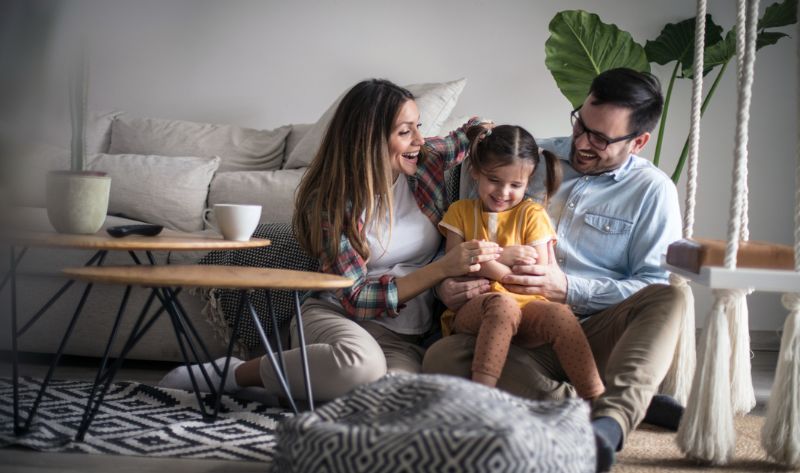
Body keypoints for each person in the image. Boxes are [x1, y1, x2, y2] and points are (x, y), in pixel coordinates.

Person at [158, 79, 499, 402]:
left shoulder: (424, 163)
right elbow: (354, 297)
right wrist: (441, 269)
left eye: (418, 127)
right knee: (360, 366)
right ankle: (233, 375)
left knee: (397, 400)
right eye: (405, 131)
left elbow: (469, 132)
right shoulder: (333, 201)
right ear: (370, 139)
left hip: (404, 336)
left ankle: (291, 387)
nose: (419, 140)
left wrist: (484, 132)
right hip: (339, 317)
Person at [422, 68, 686, 472]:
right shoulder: (526, 160)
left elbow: (650, 283)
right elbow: (462, 243)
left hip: (594, 331)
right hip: (514, 331)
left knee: (671, 297)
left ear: (639, 141)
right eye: (581, 123)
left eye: (600, 138)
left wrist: (570, 288)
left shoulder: (653, 192)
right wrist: (447, 288)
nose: (582, 142)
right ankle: (614, 401)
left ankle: (608, 427)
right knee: (441, 358)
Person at [438, 124, 603, 401]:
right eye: (494, 180)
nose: (503, 192)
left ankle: (598, 399)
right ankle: (481, 398)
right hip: (476, 309)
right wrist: (503, 259)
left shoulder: (532, 214)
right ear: (475, 172)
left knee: (561, 316)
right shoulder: (460, 212)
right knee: (501, 305)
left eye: (515, 185)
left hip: (527, 308)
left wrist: (484, 259)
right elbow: (455, 262)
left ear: (528, 182)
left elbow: (535, 271)